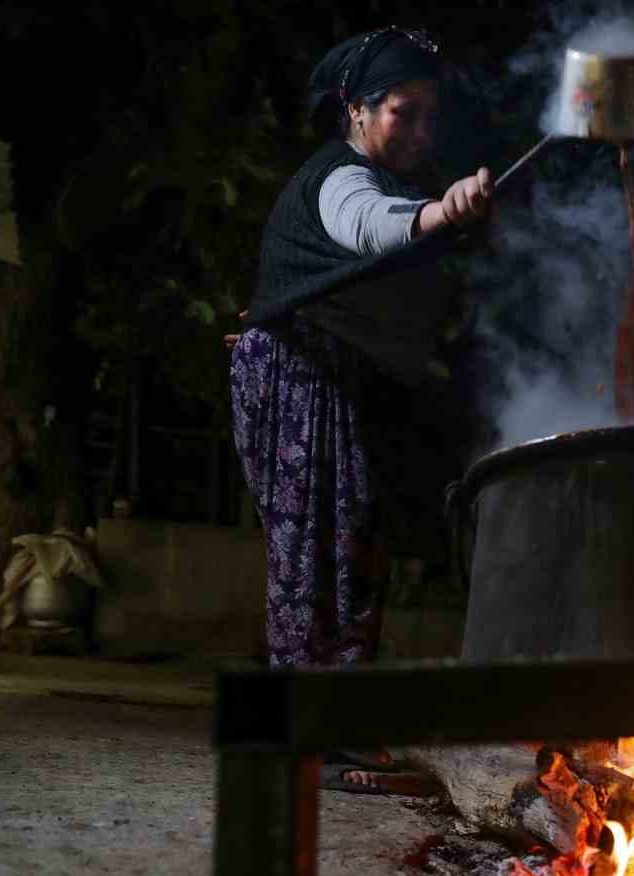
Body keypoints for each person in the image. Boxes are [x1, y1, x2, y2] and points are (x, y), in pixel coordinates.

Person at [229, 27, 494, 791]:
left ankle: (333, 725)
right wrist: (439, 213)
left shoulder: (395, 184)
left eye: (426, 118)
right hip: (300, 377)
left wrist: (456, 219)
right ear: (356, 110)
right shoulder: (342, 179)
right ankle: (303, 735)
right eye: (401, 114)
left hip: (341, 383)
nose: (417, 132)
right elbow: (368, 227)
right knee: (316, 555)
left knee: (352, 553)